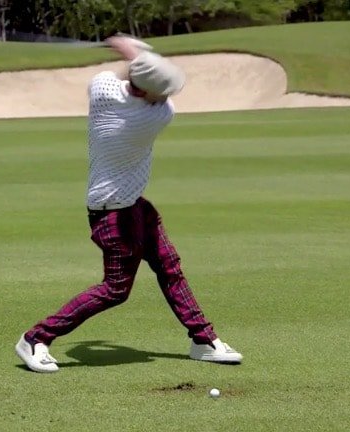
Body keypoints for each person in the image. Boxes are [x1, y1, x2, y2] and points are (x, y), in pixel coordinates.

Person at [14, 36, 243, 373]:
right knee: (115, 289)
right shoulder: (157, 116)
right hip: (113, 214)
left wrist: (126, 50)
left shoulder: (102, 89)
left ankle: (202, 340)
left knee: (169, 267)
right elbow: (152, 79)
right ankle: (35, 338)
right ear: (149, 92)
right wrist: (132, 48)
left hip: (134, 205)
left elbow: (134, 72)